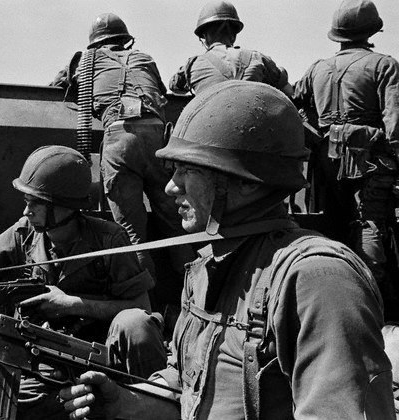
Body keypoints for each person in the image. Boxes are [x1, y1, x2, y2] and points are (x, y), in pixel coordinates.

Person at [57, 81, 394, 419]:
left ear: (247, 181)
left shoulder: (318, 279)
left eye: (189, 170)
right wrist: (124, 402)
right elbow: (188, 386)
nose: (172, 186)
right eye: (173, 170)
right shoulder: (205, 267)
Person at [0, 145, 166, 420]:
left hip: (105, 358)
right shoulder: (22, 234)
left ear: (63, 206)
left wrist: (71, 305)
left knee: (135, 323)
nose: (26, 210)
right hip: (43, 360)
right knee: (7, 406)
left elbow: (141, 306)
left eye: (35, 202)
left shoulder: (109, 240)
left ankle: (151, 404)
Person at [51, 13, 192, 282]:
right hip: (157, 139)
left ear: (95, 44)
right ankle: (192, 294)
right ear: (125, 40)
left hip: (119, 138)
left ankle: (146, 305)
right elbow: (161, 93)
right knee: (176, 226)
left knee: (131, 236)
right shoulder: (144, 58)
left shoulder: (85, 62)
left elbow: (60, 84)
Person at [293, 0, 399, 303]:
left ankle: (334, 295)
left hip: (327, 159)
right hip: (370, 160)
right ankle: (371, 300)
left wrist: (316, 137)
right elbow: (395, 124)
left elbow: (290, 105)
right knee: (369, 221)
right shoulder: (383, 65)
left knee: (337, 224)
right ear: (372, 30)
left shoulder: (317, 68)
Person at [169, 0, 292, 97]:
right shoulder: (257, 58)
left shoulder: (191, 65)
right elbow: (287, 89)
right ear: (233, 35)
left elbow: (174, 87)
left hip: (211, 126)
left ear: (205, 37)